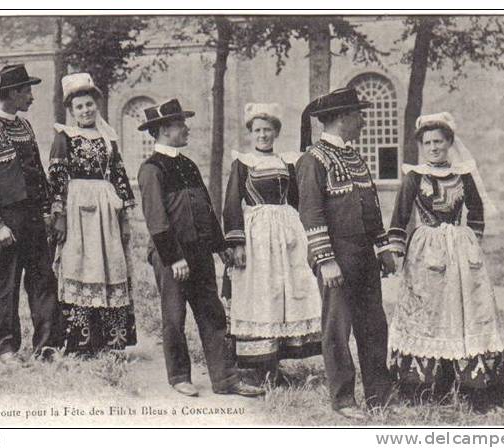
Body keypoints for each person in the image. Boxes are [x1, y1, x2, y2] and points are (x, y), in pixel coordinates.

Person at [137, 99, 264, 398]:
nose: (186, 129)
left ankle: (225, 379)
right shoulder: (151, 169)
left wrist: (220, 246)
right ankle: (179, 376)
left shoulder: (187, 164)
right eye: (181, 124)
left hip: (200, 253)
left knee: (213, 314)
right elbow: (156, 220)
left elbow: (206, 208)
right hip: (172, 257)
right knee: (174, 315)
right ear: (165, 130)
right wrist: (173, 257)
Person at [386, 112, 504, 413]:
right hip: (426, 249)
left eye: (439, 141)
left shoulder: (463, 175)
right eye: (427, 143)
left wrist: (471, 243)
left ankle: (473, 386)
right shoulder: (414, 176)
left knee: (465, 309)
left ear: (450, 142)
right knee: (428, 310)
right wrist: (397, 249)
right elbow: (400, 215)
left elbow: (476, 211)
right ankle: (423, 385)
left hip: (460, 250)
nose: (433, 147)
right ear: (422, 146)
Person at [296, 88, 397, 418]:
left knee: (374, 325)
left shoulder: (354, 157)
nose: (363, 120)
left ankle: (379, 395)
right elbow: (311, 213)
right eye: (358, 114)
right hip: (336, 258)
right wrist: (325, 260)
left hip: (364, 257)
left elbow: (371, 208)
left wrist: (382, 248)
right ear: (341, 119)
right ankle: (343, 399)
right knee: (337, 329)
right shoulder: (312, 160)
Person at [222, 103, 321, 383]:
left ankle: (277, 365)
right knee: (262, 294)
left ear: (275, 132)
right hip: (258, 236)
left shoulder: (287, 162)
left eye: (267, 130)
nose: (262, 135)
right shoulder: (242, 163)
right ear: (250, 134)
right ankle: (258, 368)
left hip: (287, 233)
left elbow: (298, 199)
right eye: (257, 131)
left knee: (286, 293)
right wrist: (236, 243)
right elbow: (231, 205)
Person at [0, 64, 59, 363]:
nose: (31, 97)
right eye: (26, 91)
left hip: (34, 217)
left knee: (44, 280)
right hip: (8, 220)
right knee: (8, 284)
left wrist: (47, 211)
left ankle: (47, 346)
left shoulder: (25, 126)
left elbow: (37, 173)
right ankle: (7, 347)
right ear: (10, 94)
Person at [47, 73, 137, 356]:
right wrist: (58, 215)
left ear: (96, 105)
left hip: (107, 213)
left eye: (89, 105)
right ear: (71, 112)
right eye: (79, 107)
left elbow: (119, 179)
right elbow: (57, 177)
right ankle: (79, 342)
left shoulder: (109, 139)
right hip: (77, 211)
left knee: (109, 265)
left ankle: (111, 340)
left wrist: (124, 218)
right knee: (80, 264)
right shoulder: (64, 137)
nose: (85, 110)